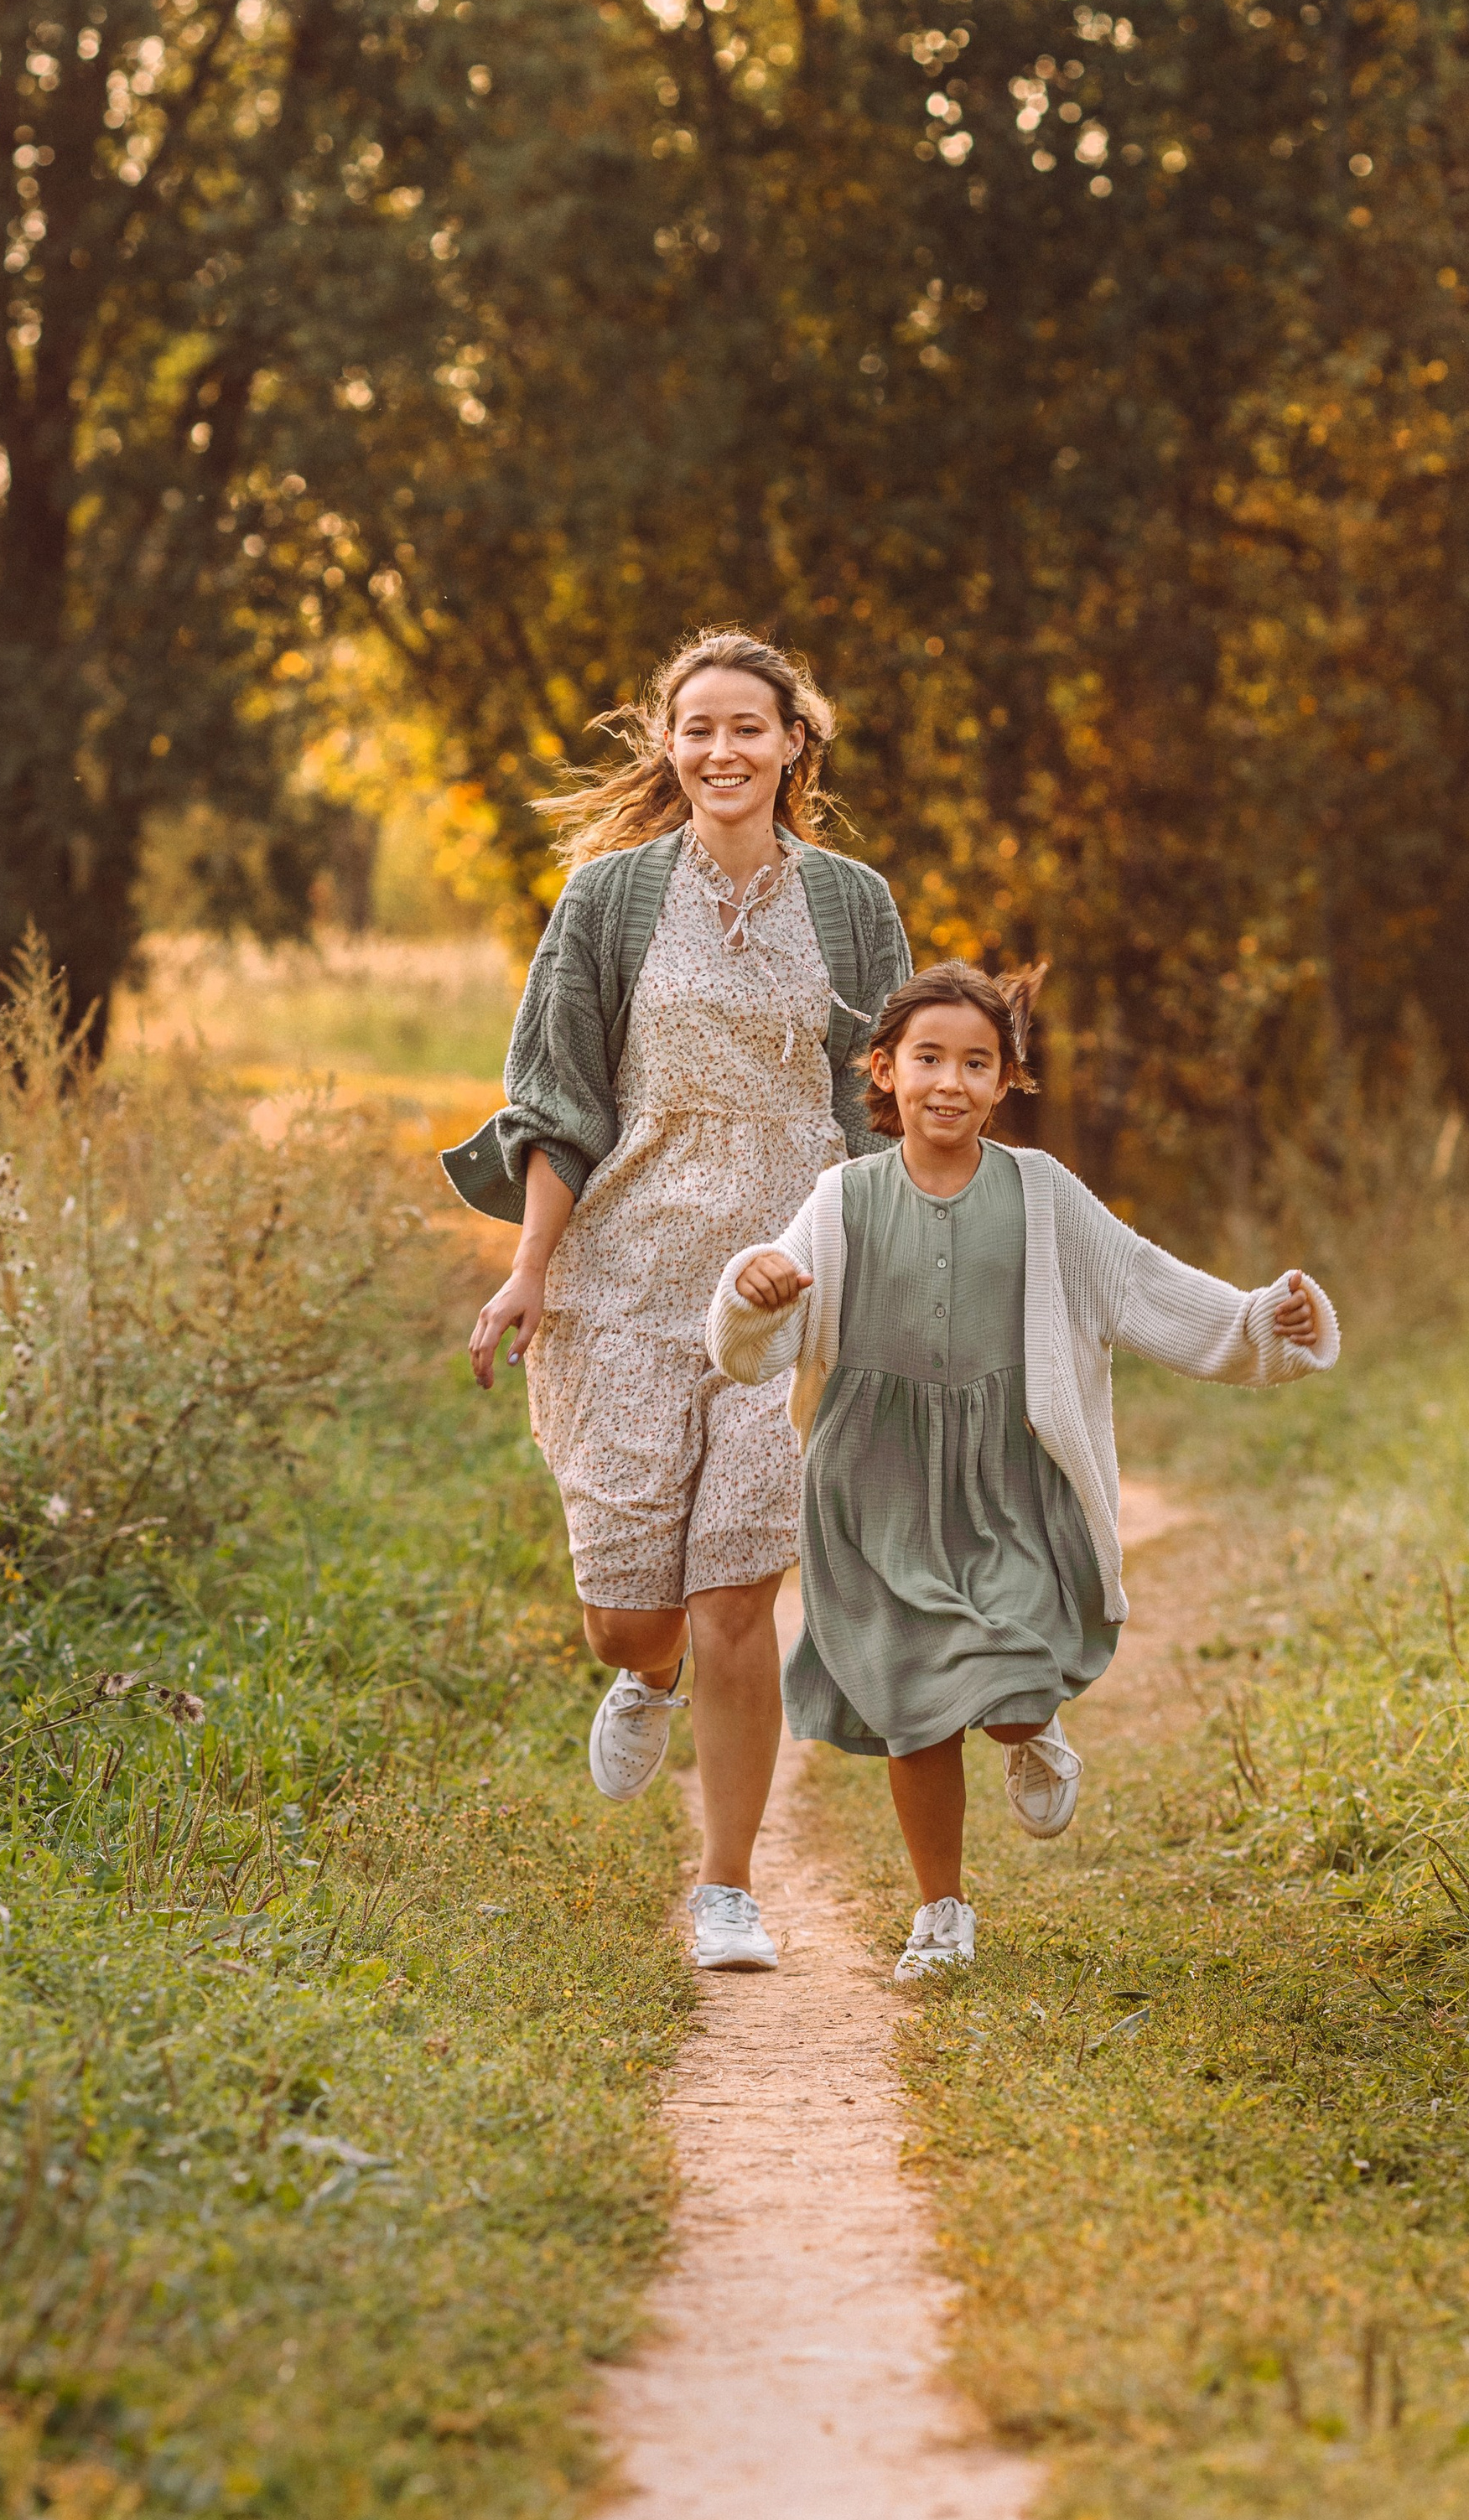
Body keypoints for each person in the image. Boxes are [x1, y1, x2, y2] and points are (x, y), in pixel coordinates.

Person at [706, 961, 1339, 1981]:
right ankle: (941, 1914)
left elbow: (1142, 1283)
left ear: (1005, 1080)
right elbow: (750, 1344)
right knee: (916, 1703)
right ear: (885, 1069)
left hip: (1009, 1474)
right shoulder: (840, 1200)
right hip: (874, 1482)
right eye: (927, 1059)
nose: (949, 1081)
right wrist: (754, 1289)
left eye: (975, 1062)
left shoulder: (1042, 1193)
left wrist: (1259, 1321)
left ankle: (1029, 1726)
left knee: (1004, 1676)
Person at [447, 630, 911, 1973]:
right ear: (670, 744)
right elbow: (557, 1101)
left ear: (793, 744)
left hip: (784, 1287)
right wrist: (530, 1267)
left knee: (735, 1602)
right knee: (635, 1616)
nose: (721, 751)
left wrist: (880, 1265)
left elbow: (873, 1107)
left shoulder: (852, 903)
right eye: (697, 728)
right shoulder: (606, 899)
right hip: (624, 1283)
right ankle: (638, 1680)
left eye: (747, 729)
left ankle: (727, 1888)